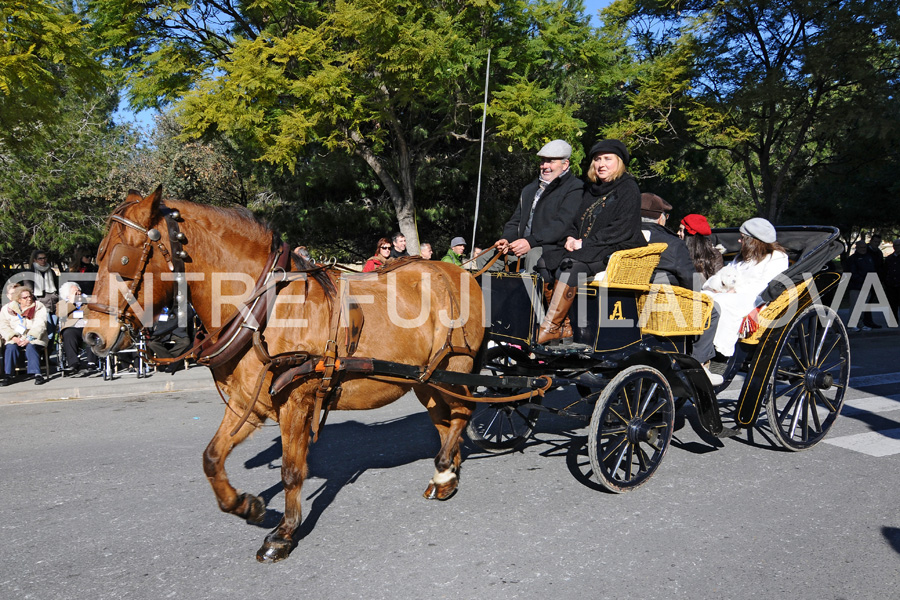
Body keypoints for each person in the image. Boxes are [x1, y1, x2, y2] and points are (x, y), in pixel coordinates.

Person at [538, 139, 646, 344]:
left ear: (619, 162)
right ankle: (564, 326)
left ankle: (550, 325)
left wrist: (584, 244)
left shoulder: (628, 188)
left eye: (607, 159)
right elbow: (576, 220)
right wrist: (570, 237)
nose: (601, 164)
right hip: (588, 247)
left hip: (615, 248)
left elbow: (622, 228)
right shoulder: (591, 189)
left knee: (569, 266)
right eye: (597, 159)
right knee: (546, 261)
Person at [640, 194, 722, 385]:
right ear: (661, 217)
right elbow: (690, 281)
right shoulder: (672, 242)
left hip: (627, 302)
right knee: (713, 310)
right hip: (665, 307)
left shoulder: (624, 235)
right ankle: (700, 365)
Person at [702, 217, 789, 356]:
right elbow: (725, 273)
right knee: (704, 298)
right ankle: (699, 344)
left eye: (742, 237)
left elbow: (766, 283)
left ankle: (721, 352)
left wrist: (735, 290)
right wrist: (711, 286)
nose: (739, 240)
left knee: (722, 302)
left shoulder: (777, 257)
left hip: (756, 298)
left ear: (753, 240)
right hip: (731, 294)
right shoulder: (742, 257)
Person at [495, 139, 583, 277]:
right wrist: (506, 239)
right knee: (486, 257)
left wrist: (530, 242)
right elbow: (515, 221)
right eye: (543, 161)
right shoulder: (529, 189)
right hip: (522, 247)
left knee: (533, 255)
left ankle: (531, 298)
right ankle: (487, 297)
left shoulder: (575, 188)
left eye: (551, 161)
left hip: (553, 248)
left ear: (565, 164)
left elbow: (562, 225)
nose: (545, 166)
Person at [640, 194, 698, 288]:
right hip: (664, 299)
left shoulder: (621, 238)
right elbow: (692, 283)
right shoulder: (674, 244)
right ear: (660, 219)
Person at [0, 286, 49, 385]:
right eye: (25, 298)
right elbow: (3, 326)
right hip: (16, 337)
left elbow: (40, 324)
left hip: (35, 337)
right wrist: (14, 338)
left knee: (31, 346)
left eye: (30, 296)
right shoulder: (7, 309)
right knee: (10, 347)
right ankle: (8, 375)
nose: (29, 299)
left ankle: (37, 374)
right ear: (18, 299)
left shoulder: (38, 306)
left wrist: (29, 338)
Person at [845, 240, 882, 331]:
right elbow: (852, 273)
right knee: (855, 306)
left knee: (862, 307)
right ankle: (852, 324)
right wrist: (863, 280)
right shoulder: (852, 259)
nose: (863, 249)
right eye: (861, 247)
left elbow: (872, 270)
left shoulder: (868, 257)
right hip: (856, 286)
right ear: (856, 248)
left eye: (864, 247)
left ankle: (860, 323)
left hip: (867, 285)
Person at [146, 302, 193, 374]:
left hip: (176, 331)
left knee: (185, 342)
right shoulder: (158, 304)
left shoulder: (180, 304)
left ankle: (166, 360)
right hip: (161, 331)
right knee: (152, 343)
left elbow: (189, 313)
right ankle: (173, 361)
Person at [56, 282, 89, 376]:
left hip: (87, 326)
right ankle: (73, 364)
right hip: (73, 328)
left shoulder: (87, 301)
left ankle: (92, 362)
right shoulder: (62, 303)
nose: (78, 293)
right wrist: (72, 302)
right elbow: (60, 313)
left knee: (92, 333)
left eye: (78, 291)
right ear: (67, 294)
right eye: (75, 292)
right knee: (68, 334)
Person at [679, 214, 724, 279]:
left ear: (689, 235)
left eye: (681, 230)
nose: (678, 233)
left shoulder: (714, 255)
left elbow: (717, 281)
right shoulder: (678, 252)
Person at [884, 239, 900, 327]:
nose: (897, 248)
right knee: (892, 304)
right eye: (896, 245)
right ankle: (893, 322)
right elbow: (886, 270)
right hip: (891, 285)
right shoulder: (889, 258)